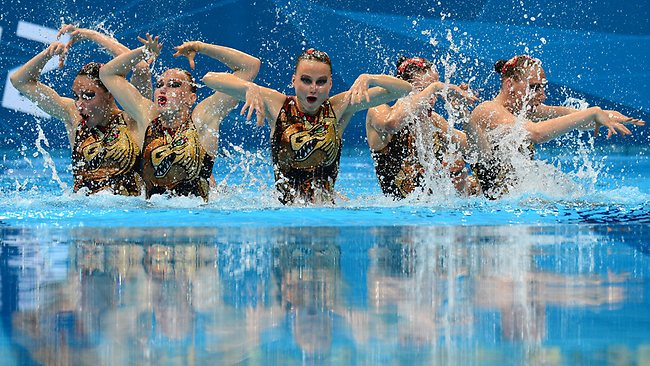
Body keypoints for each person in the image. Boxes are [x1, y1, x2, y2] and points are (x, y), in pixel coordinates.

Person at [202, 48, 412, 204]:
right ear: (294, 80)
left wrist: (371, 78)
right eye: (305, 80)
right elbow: (209, 78)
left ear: (330, 84)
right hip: (286, 214)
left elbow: (405, 90)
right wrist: (248, 86)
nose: (313, 88)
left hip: (327, 213)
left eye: (321, 82)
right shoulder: (276, 104)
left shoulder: (341, 107)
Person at [99, 34, 261, 201]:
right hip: (152, 219)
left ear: (191, 98)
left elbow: (250, 66)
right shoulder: (147, 117)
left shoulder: (201, 120)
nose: (163, 89)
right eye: (160, 84)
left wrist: (201, 47)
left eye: (174, 85)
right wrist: (144, 52)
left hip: (196, 219)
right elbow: (107, 74)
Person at [467, 55, 644, 199]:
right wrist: (592, 112)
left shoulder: (526, 111)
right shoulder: (487, 111)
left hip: (508, 201)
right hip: (487, 204)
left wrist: (607, 116)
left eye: (542, 88)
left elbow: (574, 117)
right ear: (509, 84)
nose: (541, 96)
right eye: (534, 87)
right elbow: (536, 133)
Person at [10, 24, 151, 196]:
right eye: (77, 96)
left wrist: (92, 35)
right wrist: (47, 55)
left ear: (110, 94)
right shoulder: (74, 117)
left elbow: (141, 67)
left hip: (128, 217)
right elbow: (20, 81)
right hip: (84, 215)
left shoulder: (134, 118)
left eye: (88, 95)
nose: (79, 104)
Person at [366, 56, 479, 199]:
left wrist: (464, 114)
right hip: (397, 215)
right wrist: (435, 87)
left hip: (432, 212)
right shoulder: (378, 110)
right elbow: (392, 124)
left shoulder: (434, 121)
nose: (431, 98)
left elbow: (475, 151)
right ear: (402, 89)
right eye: (423, 90)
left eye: (434, 92)